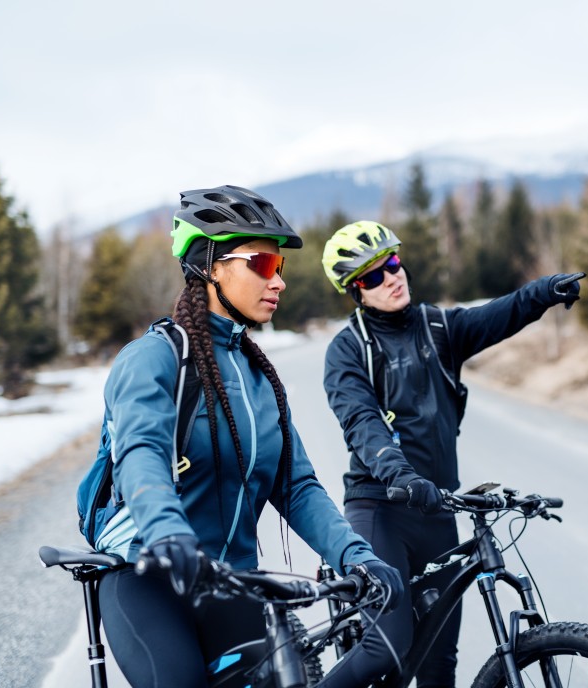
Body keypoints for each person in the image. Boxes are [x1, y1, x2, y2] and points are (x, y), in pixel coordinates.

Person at [90, 187, 403, 688]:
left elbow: (297, 487)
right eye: (261, 263)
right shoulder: (154, 359)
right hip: (148, 572)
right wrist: (170, 532)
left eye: (280, 266)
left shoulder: (258, 379)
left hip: (229, 580)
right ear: (212, 266)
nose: (277, 280)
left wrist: (357, 555)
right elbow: (140, 454)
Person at [320, 220, 584, 687]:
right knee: (387, 650)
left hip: (438, 509)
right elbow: (361, 422)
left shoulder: (440, 327)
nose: (392, 278)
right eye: (373, 276)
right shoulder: (348, 350)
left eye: (394, 264)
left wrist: (545, 291)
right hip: (381, 509)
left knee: (440, 664)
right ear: (355, 290)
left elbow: (499, 313)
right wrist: (398, 474)